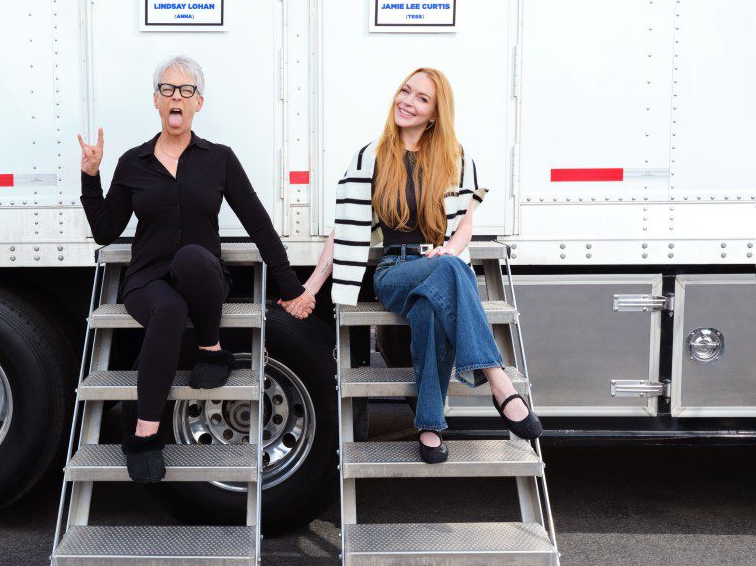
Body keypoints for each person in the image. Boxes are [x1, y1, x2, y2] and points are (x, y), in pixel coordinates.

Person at [78, 55, 316, 482]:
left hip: (202, 276)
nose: (176, 97)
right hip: (147, 280)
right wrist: (90, 177)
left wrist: (290, 285)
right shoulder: (133, 163)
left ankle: (210, 346)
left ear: (198, 103)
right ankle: (146, 434)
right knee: (167, 310)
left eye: (185, 91)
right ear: (156, 100)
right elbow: (105, 231)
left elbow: (257, 222)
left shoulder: (219, 159)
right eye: (168, 89)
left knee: (191, 257)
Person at [290, 67, 543, 463]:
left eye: (421, 98)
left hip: (438, 263)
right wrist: (311, 288)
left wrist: (446, 252)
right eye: (405, 92)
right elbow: (344, 228)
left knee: (432, 304)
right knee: (450, 271)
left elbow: (463, 229)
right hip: (394, 271)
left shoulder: (457, 159)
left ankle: (429, 426)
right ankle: (498, 379)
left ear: (435, 114)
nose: (407, 102)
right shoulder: (370, 157)